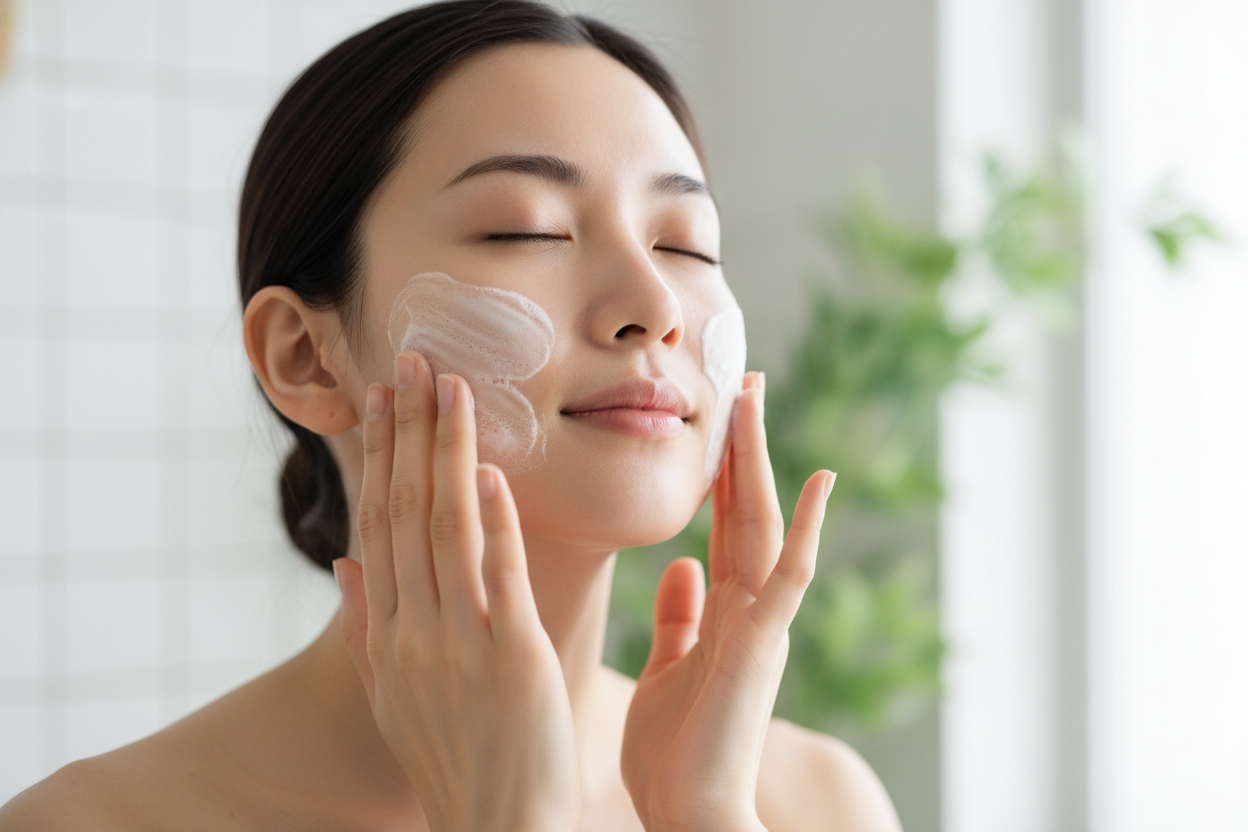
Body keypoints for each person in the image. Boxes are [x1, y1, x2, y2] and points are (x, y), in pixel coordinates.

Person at [0, 2, 901, 829]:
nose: (654, 301)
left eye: (685, 243)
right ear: (304, 356)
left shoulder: (810, 802)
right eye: (528, 230)